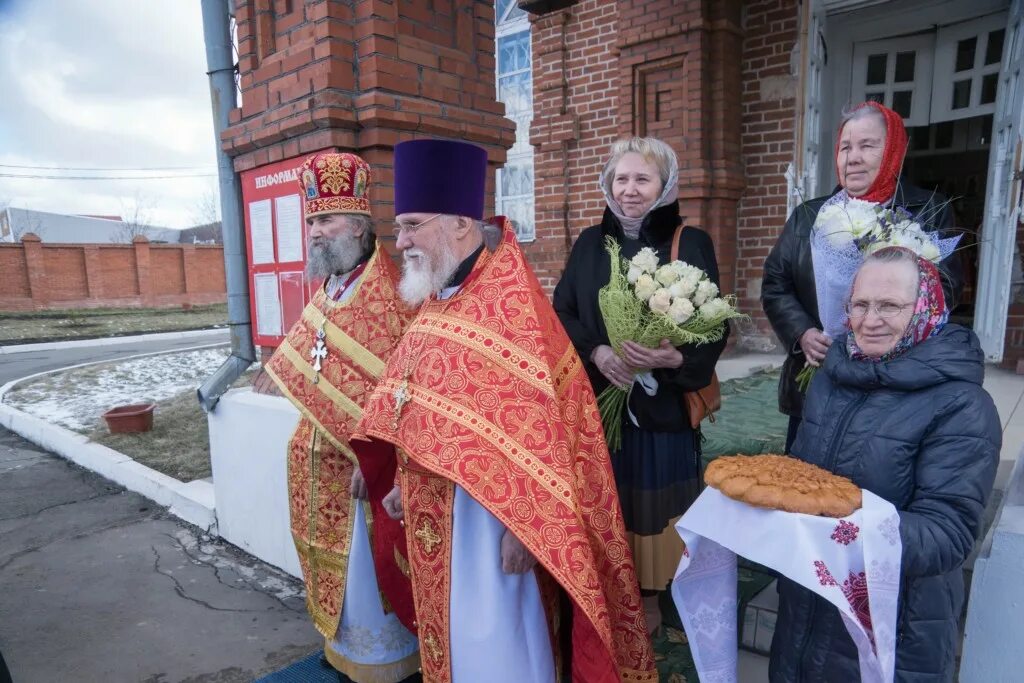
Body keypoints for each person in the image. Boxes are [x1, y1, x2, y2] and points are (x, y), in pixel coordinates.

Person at [352, 139, 656, 683]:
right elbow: (415, 405)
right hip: (433, 513)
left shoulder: (512, 307)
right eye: (399, 228)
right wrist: (402, 477)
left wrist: (529, 532)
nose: (400, 243)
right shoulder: (436, 296)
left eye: (412, 226)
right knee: (452, 641)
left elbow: (546, 435)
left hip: (493, 526)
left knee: (498, 646)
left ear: (459, 225)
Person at [770, 246, 1000, 682]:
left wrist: (839, 529)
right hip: (806, 611)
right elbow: (798, 475)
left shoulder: (963, 406)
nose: (870, 320)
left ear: (926, 308)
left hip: (893, 627)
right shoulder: (830, 380)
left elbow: (947, 535)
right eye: (860, 304)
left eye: (890, 306)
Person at [553, 136, 727, 633]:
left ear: (665, 186)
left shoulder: (690, 242)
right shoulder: (590, 243)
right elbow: (563, 310)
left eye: (642, 179)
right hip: (600, 398)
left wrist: (676, 358)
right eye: (621, 179)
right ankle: (610, 582)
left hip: (661, 407)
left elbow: (715, 323)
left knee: (653, 499)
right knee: (608, 493)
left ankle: (652, 593)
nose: (629, 190)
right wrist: (597, 351)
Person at [260, 151, 420, 682]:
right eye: (311, 222)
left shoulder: (392, 294)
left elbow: (403, 388)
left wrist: (376, 459)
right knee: (341, 574)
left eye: (325, 220)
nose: (314, 233)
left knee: (368, 570)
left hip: (362, 467)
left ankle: (387, 661)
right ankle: (343, 651)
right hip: (317, 457)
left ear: (356, 224)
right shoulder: (331, 286)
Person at [761, 101, 964, 453]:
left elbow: (946, 287)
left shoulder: (927, 211)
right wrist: (802, 333)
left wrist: (883, 329)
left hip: (891, 381)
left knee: (871, 466)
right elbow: (776, 284)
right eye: (845, 147)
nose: (853, 158)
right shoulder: (809, 215)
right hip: (819, 373)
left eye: (867, 146)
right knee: (804, 469)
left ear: (894, 150)